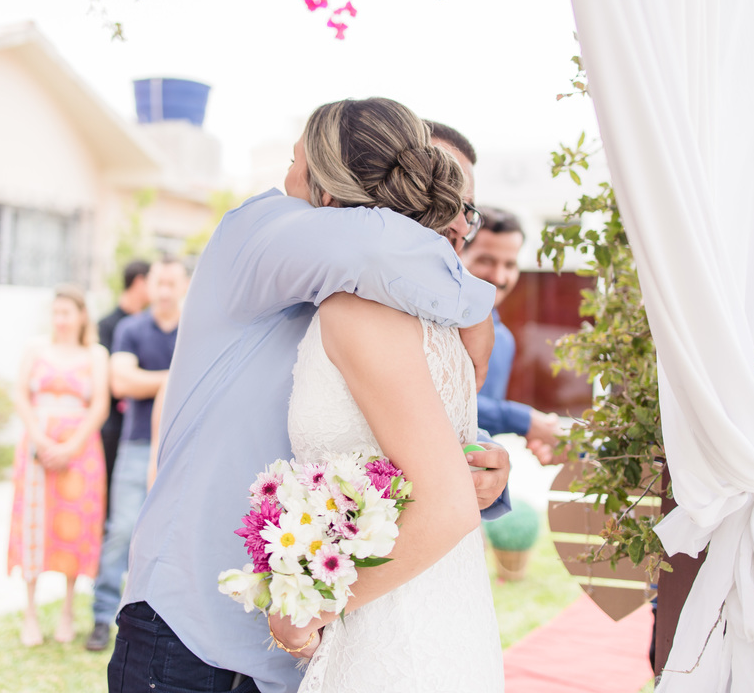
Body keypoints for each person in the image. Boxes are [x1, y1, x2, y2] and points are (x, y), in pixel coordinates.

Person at [108, 98, 507, 693]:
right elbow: (370, 245)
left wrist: (484, 468)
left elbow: (411, 436)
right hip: (196, 623)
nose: (450, 219)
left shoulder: (405, 302)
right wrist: (478, 297)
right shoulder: (261, 233)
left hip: (318, 644)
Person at [277, 98, 503, 691]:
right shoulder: (446, 313)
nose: (284, 182)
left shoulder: (359, 311)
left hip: (395, 636)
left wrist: (306, 609)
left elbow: (449, 502)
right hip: (440, 611)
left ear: (328, 195)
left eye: (297, 164)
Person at [85, 258, 187, 652]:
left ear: (184, 284)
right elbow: (121, 380)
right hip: (138, 441)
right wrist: (178, 378)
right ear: (149, 285)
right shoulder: (131, 328)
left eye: (171, 282)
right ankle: (101, 616)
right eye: (158, 282)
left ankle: (162, 615)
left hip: (178, 446)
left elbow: (136, 378)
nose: (164, 289)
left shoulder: (195, 329)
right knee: (123, 528)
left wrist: (149, 381)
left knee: (173, 533)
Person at [8, 285, 110, 647]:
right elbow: (20, 393)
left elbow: (100, 403)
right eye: (57, 312)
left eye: (68, 312)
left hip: (79, 449)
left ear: (81, 315)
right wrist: (39, 437)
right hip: (38, 443)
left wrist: (70, 446)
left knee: (72, 524)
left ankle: (67, 610)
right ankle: (30, 613)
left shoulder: (95, 353)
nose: (61, 320)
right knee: (34, 524)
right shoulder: (36, 348)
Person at [461, 205, 562, 463]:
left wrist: (539, 434)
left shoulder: (503, 340)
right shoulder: (432, 324)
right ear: (458, 253)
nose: (499, 277)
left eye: (510, 264)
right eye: (486, 260)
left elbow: (477, 426)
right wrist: (525, 421)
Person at [97, 260, 150, 490]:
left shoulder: (149, 326)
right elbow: (114, 381)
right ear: (139, 282)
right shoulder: (107, 325)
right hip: (113, 426)